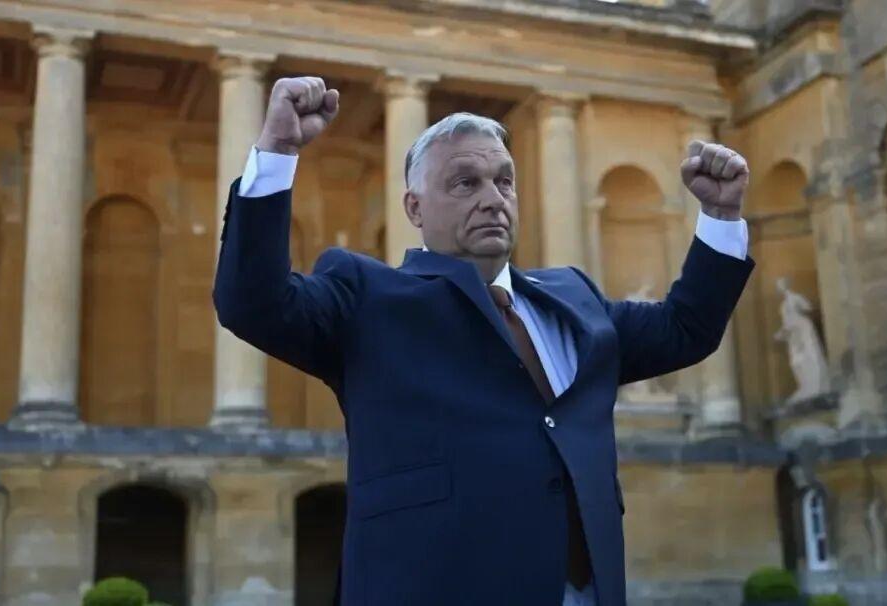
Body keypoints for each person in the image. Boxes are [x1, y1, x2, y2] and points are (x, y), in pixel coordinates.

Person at [214, 77, 755, 606]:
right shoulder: (366, 296)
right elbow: (254, 304)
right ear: (414, 208)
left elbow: (685, 330)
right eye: (465, 183)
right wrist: (277, 152)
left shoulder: (574, 297)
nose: (494, 199)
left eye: (504, 181)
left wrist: (721, 216)